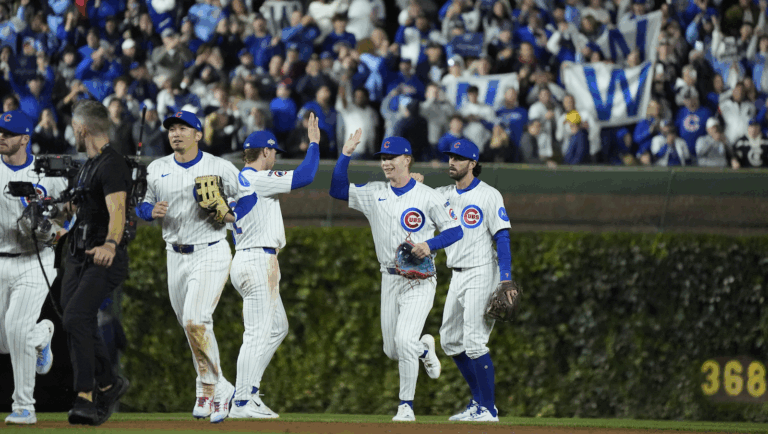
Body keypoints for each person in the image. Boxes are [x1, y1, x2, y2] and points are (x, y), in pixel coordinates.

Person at [329, 134, 464, 421]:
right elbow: (337, 189)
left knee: (403, 340)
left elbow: (456, 230)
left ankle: (406, 406)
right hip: (389, 277)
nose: (386, 162)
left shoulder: (428, 196)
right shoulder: (374, 193)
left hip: (420, 279)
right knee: (393, 350)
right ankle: (424, 350)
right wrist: (346, 153)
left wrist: (430, 244)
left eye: (391, 157)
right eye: (383, 157)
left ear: (407, 159)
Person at [135, 110, 240, 423]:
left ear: (198, 135)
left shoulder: (219, 166)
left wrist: (228, 212)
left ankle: (210, 388)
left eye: (183, 128)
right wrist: (148, 211)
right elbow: (141, 204)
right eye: (172, 129)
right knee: (191, 327)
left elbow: (247, 198)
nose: (176, 133)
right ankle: (216, 387)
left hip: (211, 250)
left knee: (196, 320)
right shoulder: (157, 168)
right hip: (175, 254)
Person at [226, 115, 322, 419]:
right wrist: (314, 143)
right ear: (265, 151)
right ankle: (242, 400)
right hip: (256, 260)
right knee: (256, 334)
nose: (275, 158)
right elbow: (305, 175)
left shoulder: (239, 181)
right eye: (273, 153)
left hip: (250, 257)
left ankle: (250, 392)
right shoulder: (256, 178)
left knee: (277, 328)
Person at [62, 100, 132, 425]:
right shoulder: (87, 166)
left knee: (77, 316)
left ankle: (86, 396)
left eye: (73, 129)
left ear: (81, 129)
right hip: (79, 255)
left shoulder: (112, 164)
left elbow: (118, 212)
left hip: (103, 257)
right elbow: (84, 210)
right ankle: (108, 383)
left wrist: (110, 244)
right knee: (77, 319)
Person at [432, 138, 511, 423]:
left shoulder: (489, 195)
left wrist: (505, 280)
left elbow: (502, 236)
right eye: (450, 157)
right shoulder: (442, 194)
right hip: (457, 274)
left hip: (482, 271)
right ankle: (479, 402)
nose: (451, 162)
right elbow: (416, 197)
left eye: (458, 158)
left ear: (473, 163)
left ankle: (488, 409)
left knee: (475, 342)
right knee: (450, 341)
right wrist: (415, 182)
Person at [0, 111, 64, 425]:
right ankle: (42, 334)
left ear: (25, 138)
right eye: (0, 132)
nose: (2, 137)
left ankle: (24, 406)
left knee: (16, 329)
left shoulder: (47, 174)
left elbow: (70, 212)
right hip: (1, 259)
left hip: (35, 260)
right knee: (5, 342)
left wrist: (57, 228)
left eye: (8, 133)